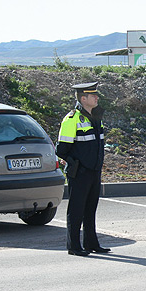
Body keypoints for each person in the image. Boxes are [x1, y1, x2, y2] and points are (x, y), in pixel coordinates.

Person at [56, 82, 109, 256]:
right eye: (93, 95)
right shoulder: (72, 119)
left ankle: (91, 243)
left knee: (90, 209)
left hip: (94, 170)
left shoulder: (96, 117)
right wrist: (75, 164)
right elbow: (61, 150)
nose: (97, 98)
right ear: (83, 98)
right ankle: (74, 246)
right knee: (76, 210)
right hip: (79, 172)